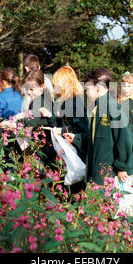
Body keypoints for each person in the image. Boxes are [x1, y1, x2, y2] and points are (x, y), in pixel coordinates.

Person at [84, 68, 133, 186]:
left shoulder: (112, 107)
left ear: (97, 88)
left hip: (111, 172)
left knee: (112, 202)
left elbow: (124, 137)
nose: (86, 93)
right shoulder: (98, 107)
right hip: (101, 168)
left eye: (87, 89)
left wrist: (123, 166)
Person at [51, 65, 89, 193]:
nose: (55, 86)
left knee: (75, 186)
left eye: (57, 83)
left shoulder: (75, 101)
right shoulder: (64, 101)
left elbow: (82, 127)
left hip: (76, 150)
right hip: (67, 150)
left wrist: (62, 130)